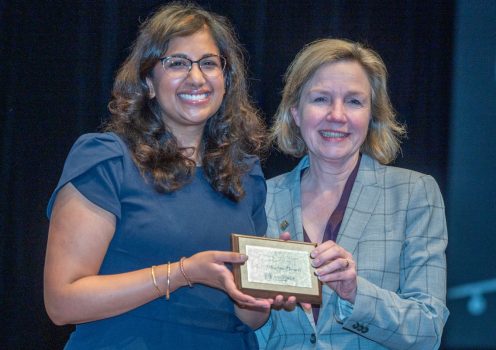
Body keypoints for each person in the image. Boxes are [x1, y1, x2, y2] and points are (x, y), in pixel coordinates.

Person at [44, 2, 272, 349]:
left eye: (209, 63)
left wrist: (268, 284)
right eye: (177, 63)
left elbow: (252, 317)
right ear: (149, 81)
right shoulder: (106, 159)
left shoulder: (246, 174)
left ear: (226, 80)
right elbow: (62, 303)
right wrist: (182, 273)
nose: (196, 77)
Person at [256, 38, 449, 349]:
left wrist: (355, 292)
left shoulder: (414, 194)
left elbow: (427, 330)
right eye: (320, 99)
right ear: (295, 112)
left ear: (372, 115)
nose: (337, 115)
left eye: (354, 102)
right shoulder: (261, 198)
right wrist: (258, 307)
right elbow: (249, 333)